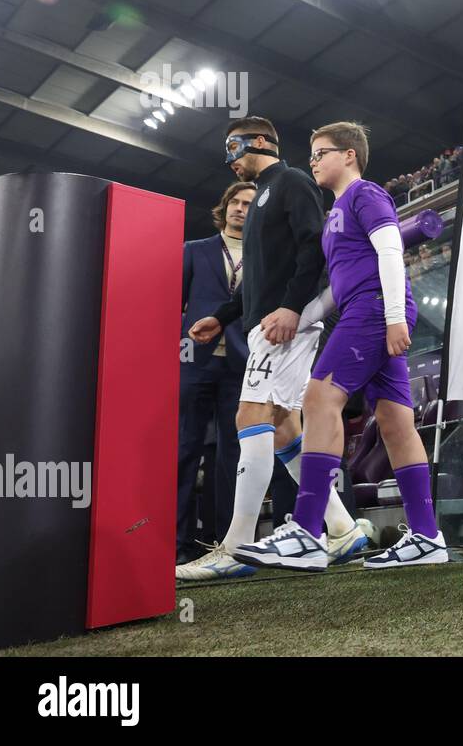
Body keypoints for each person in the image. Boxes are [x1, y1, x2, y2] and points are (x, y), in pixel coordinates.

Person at [233, 122, 448, 571]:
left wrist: (392, 317)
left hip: (372, 311)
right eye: (311, 155)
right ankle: (428, 536)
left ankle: (309, 532)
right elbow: (337, 286)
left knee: (317, 399)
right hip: (362, 307)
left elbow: (390, 250)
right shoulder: (334, 215)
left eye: (319, 153)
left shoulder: (364, 194)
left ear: (349, 155)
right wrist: (300, 316)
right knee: (394, 421)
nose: (312, 161)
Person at [179, 118, 366, 581]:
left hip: (288, 324)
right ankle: (342, 528)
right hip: (270, 323)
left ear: (260, 142)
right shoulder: (263, 194)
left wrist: (289, 307)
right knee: (282, 427)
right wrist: (222, 316)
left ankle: (235, 545)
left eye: (233, 147)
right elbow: (263, 274)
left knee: (250, 416)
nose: (229, 158)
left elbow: (312, 250)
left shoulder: (291, 181)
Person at [177, 181, 254, 563]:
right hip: (193, 360)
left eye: (249, 204)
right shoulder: (194, 251)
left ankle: (229, 544)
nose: (241, 209)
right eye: (235, 202)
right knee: (184, 449)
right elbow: (172, 305)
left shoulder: (263, 256)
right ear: (223, 208)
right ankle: (178, 544)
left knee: (234, 453)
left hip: (242, 363)